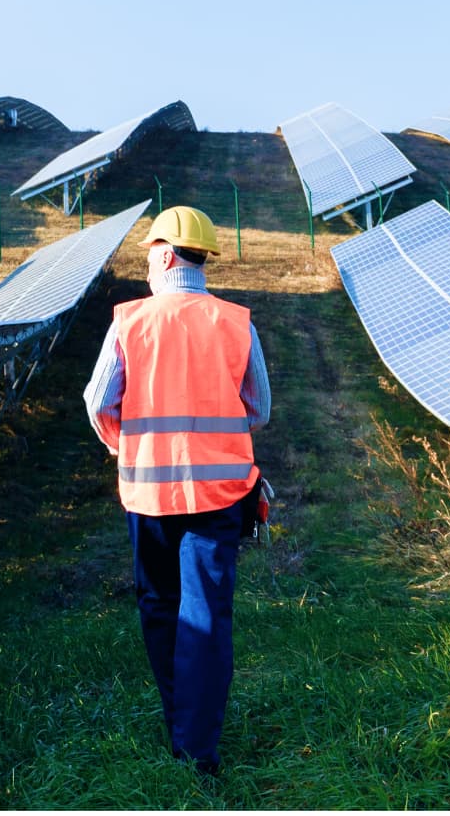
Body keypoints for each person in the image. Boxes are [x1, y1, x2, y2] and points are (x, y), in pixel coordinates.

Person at [83, 205, 270, 777]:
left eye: (148, 256)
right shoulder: (236, 322)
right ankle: (199, 749)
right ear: (202, 258)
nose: (146, 267)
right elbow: (258, 408)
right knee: (207, 617)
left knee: (162, 610)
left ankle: (179, 727)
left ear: (165, 255)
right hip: (219, 495)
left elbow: (97, 401)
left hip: (147, 498)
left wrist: (124, 445)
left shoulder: (131, 322)